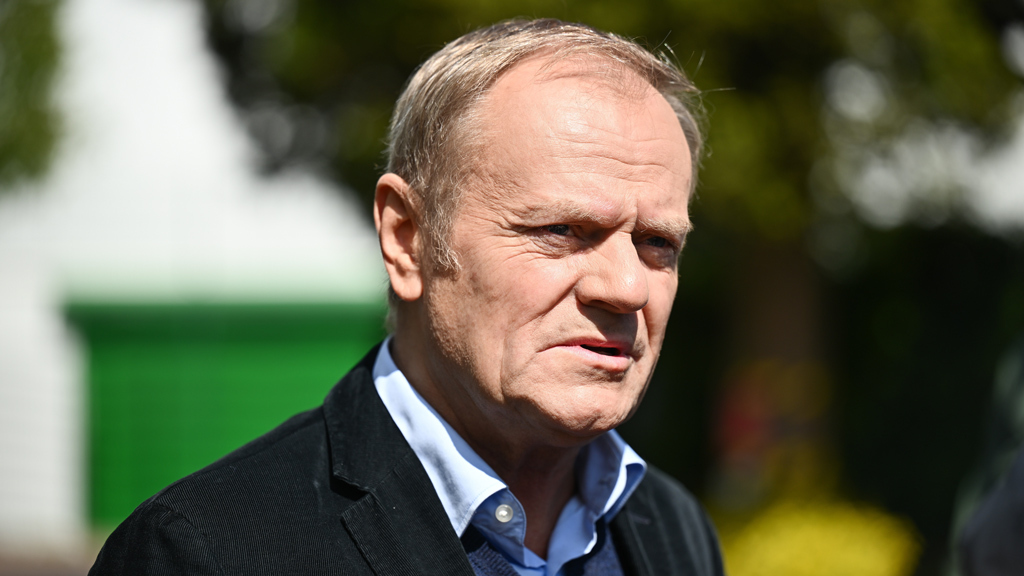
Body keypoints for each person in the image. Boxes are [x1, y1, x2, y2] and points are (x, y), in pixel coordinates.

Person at [89, 19, 724, 576]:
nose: (626, 287)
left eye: (658, 243)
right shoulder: (206, 552)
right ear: (407, 238)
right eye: (561, 231)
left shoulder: (673, 530)